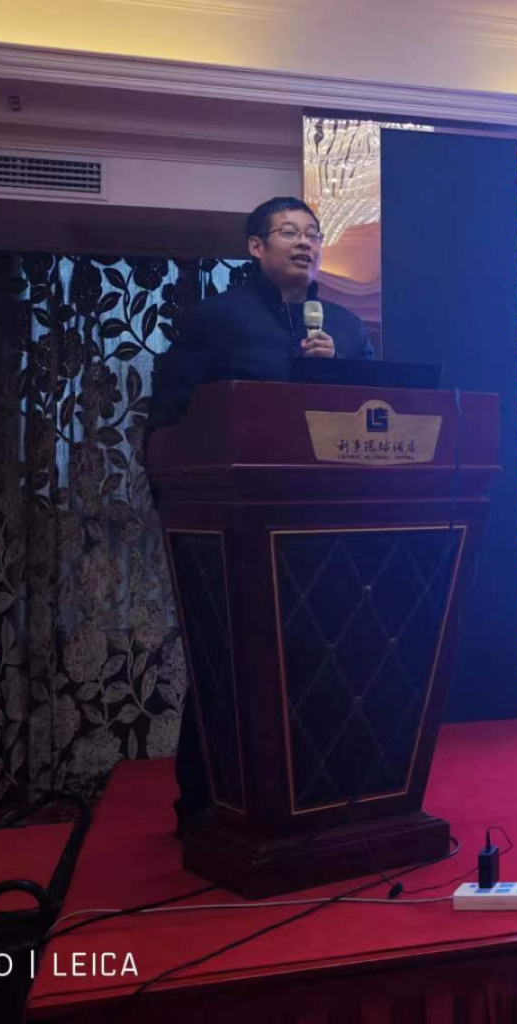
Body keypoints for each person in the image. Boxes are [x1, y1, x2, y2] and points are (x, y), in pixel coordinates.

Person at [146, 195, 376, 829]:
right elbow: (170, 416)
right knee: (230, 660)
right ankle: (206, 802)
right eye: (289, 232)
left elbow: (375, 415)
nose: (306, 243)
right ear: (256, 246)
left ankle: (322, 790)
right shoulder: (216, 319)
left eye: (313, 233)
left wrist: (336, 373)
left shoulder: (345, 327)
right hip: (235, 528)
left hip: (329, 523)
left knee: (327, 657)